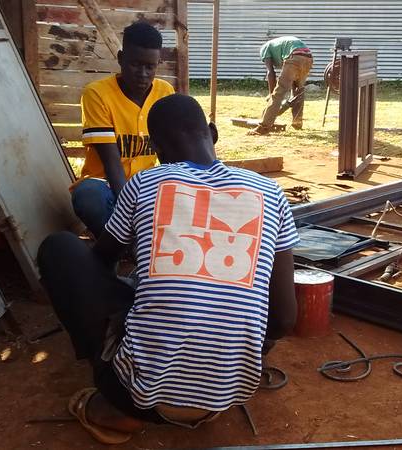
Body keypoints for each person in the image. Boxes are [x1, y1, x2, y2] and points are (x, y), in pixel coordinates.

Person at [38, 94, 298, 444]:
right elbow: (283, 319)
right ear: (212, 132)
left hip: (136, 395)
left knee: (61, 248)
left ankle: (114, 402)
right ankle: (205, 391)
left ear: (156, 148)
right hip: (227, 393)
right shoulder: (270, 191)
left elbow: (100, 259)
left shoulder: (145, 183)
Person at [72, 21, 175, 237]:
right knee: (88, 196)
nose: (143, 74)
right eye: (135, 65)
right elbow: (112, 164)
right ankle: (120, 248)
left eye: (150, 67)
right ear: (120, 59)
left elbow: (170, 156)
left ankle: (141, 246)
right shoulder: (97, 94)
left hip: (146, 185)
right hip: (107, 187)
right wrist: (133, 213)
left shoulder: (165, 92)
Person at [249, 36, 313, 135]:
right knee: (298, 91)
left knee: (279, 92)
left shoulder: (265, 49)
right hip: (308, 56)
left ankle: (263, 127)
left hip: (294, 56)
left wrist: (271, 94)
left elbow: (271, 72)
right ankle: (297, 122)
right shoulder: (278, 46)